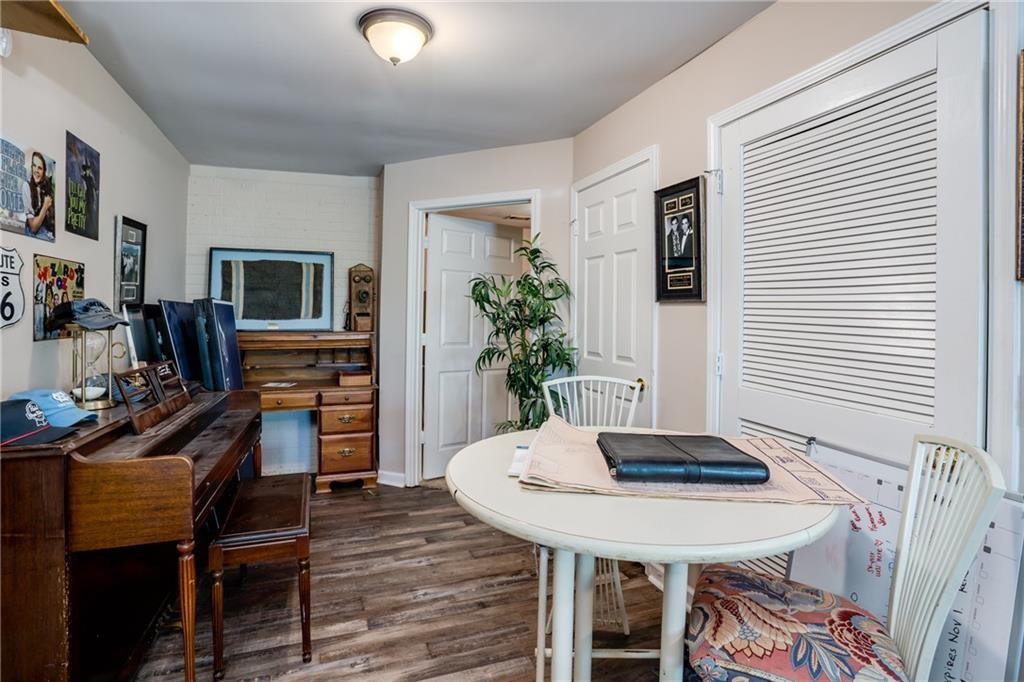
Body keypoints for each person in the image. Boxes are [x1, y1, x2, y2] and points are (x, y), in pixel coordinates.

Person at [22, 151, 55, 241]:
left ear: (44, 172)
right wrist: (45, 206)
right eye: (34, 165)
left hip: (46, 231)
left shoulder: (45, 186)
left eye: (39, 168)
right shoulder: (26, 186)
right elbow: (33, 227)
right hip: (34, 234)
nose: (36, 170)